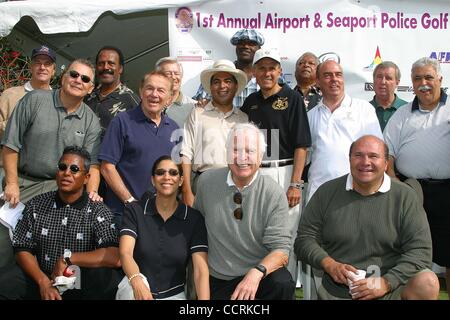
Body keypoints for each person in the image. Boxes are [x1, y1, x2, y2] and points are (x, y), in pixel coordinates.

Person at [295, 135, 439, 300]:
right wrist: (329, 264)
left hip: (389, 288)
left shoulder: (405, 196)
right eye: (358, 155)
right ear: (349, 160)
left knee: (427, 282)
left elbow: (420, 250)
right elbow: (304, 239)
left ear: (386, 164)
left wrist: (386, 282)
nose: (365, 162)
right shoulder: (326, 192)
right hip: (339, 291)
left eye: (373, 156)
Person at [0, 146, 121, 300]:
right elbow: (22, 249)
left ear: (86, 178)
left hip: (78, 280)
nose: (67, 173)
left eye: (74, 169)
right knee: (6, 282)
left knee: (106, 277)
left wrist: (68, 259)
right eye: (62, 167)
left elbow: (114, 255)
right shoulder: (36, 205)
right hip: (43, 278)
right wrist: (43, 282)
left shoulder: (98, 210)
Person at [194, 123, 295, 300]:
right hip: (218, 278)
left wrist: (256, 273)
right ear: (226, 151)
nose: (242, 157)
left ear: (261, 155)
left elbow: (281, 250)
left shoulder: (273, 192)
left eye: (249, 151)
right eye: (235, 150)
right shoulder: (206, 182)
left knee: (283, 282)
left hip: (258, 276)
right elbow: (196, 234)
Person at [241, 48, 311, 282]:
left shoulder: (292, 99)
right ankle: (259, 286)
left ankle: (286, 286)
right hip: (256, 173)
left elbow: (301, 145)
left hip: (285, 171)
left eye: (272, 68)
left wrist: (295, 184)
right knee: (256, 231)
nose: (267, 73)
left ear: (280, 71)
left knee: (285, 234)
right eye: (262, 68)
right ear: (254, 72)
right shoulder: (250, 102)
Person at [384, 57, 450, 298]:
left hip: (447, 193)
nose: (423, 83)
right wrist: (395, 182)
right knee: (411, 254)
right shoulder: (401, 114)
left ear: (440, 79)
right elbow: (387, 153)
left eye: (429, 77)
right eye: (417, 78)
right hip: (410, 192)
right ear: (411, 83)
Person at [1, 58, 102, 206]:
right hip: (17, 179)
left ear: (90, 88)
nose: (78, 80)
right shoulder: (33, 100)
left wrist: (92, 195)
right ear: (63, 77)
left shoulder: (92, 122)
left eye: (85, 79)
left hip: (54, 189)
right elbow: (11, 143)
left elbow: (92, 165)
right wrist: (11, 183)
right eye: (74, 74)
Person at [119, 155, 209, 300]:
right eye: (160, 172)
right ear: (153, 180)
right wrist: (137, 282)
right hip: (134, 288)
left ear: (181, 180)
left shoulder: (194, 218)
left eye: (173, 173)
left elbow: (200, 269)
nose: (167, 177)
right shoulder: (134, 210)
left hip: (174, 294)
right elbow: (125, 253)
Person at [0, 45, 56, 270]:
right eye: (38, 62)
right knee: (5, 233)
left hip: (42, 181)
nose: (42, 67)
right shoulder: (11, 94)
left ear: (53, 70)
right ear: (31, 66)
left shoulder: (57, 100)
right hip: (8, 174)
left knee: (35, 235)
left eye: (48, 64)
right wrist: (18, 127)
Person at [99, 71, 179, 227]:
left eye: (161, 90)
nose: (154, 94)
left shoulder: (174, 128)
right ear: (141, 92)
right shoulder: (122, 121)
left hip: (160, 217)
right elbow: (107, 167)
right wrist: (130, 202)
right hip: (124, 212)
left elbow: (177, 172)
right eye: (149, 88)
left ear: (169, 99)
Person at [306, 59, 382, 202]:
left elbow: (377, 152)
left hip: (355, 193)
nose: (334, 79)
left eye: (338, 74)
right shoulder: (311, 116)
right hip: (318, 193)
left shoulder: (363, 109)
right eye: (328, 75)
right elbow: (304, 156)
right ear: (317, 81)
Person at [180, 59, 248, 206]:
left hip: (236, 184)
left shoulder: (243, 118)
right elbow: (186, 153)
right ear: (210, 87)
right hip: (204, 183)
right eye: (216, 81)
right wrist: (186, 190)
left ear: (235, 86)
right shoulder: (197, 114)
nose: (222, 86)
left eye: (228, 81)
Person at [193, 28, 264, 108]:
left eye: (251, 43)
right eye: (241, 43)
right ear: (236, 47)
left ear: (259, 49)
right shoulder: (218, 73)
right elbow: (199, 104)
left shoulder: (267, 77)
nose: (245, 46)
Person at [84, 46, 140, 139]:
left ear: (120, 69)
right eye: (101, 63)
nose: (105, 67)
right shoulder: (88, 96)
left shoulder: (131, 100)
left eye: (111, 63)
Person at [155, 57, 196, 127]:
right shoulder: (149, 105)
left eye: (176, 73)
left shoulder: (194, 107)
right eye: (168, 73)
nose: (173, 77)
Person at [369, 61, 407, 131]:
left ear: (397, 83)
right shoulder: (364, 110)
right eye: (379, 77)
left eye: (388, 78)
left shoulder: (408, 109)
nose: (383, 82)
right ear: (373, 80)